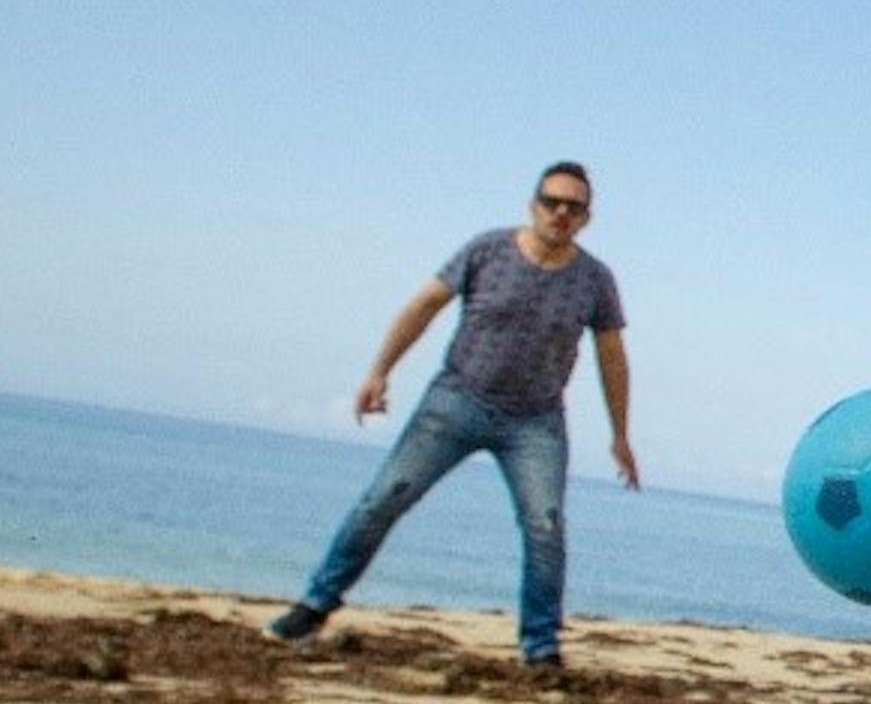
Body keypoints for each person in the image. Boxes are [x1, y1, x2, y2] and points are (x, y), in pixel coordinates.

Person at [267, 163, 639, 670]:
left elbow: (612, 356)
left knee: (546, 528)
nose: (561, 213)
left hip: (535, 422)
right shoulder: (487, 251)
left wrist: (620, 435)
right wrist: (379, 372)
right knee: (382, 500)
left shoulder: (595, 280)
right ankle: (314, 606)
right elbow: (425, 305)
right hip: (456, 401)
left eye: (573, 207)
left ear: (586, 218)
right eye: (552, 202)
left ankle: (541, 647)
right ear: (533, 205)